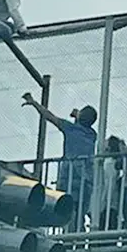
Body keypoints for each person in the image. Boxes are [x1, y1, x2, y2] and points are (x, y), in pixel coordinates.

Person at [21, 93, 98, 231]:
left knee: (67, 210)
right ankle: (78, 240)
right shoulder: (92, 135)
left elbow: (49, 116)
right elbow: (82, 127)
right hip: (86, 179)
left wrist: (34, 102)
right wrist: (78, 116)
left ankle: (69, 239)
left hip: (70, 176)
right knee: (79, 212)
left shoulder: (70, 128)